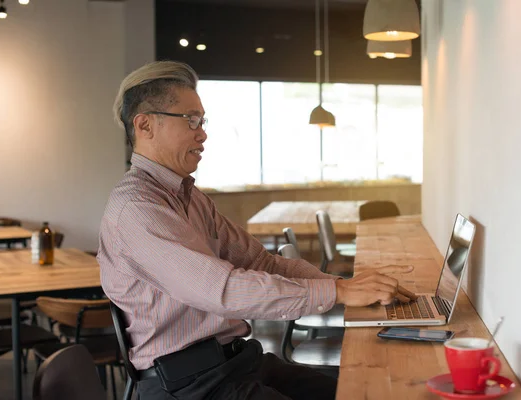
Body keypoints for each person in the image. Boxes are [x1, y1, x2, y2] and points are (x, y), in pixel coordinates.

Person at [98, 61, 416, 400]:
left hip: (235, 363)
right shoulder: (137, 209)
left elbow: (262, 262)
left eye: (202, 121)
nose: (202, 133)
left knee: (358, 392)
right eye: (191, 120)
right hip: (189, 386)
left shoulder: (191, 198)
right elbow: (221, 290)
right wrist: (338, 295)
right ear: (145, 125)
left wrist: (342, 285)